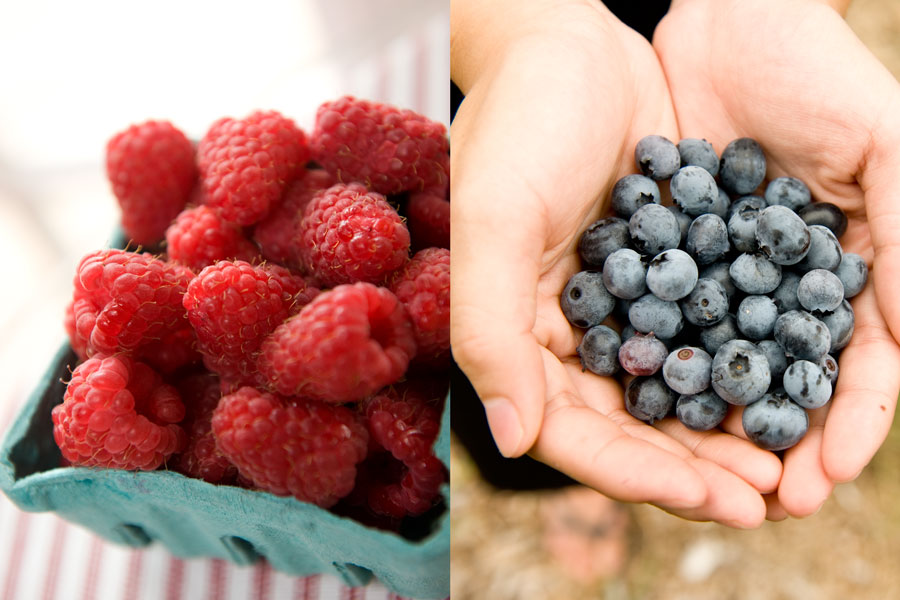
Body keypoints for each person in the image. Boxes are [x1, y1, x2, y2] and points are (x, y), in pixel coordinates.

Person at [450, 0, 900, 563]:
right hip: (563, 94)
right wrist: (513, 33)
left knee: (547, 387)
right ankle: (565, 490)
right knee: (515, 365)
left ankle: (584, 490)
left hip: (703, 43)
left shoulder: (760, 277)